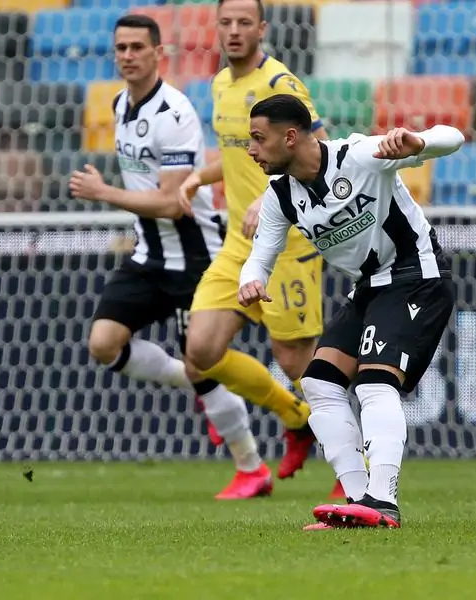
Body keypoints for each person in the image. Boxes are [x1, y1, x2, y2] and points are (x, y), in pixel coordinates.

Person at [238, 94, 462, 529]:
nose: (251, 149)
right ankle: (358, 501)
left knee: (375, 382)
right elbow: (261, 255)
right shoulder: (280, 195)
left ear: (290, 137)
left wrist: (417, 142)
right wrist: (252, 279)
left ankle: (384, 500)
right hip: (369, 288)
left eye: (258, 138)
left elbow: (452, 137)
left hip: (417, 275)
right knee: (319, 383)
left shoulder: (359, 155)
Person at [71, 14, 272, 499]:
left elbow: (170, 202)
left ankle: (252, 467)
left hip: (195, 255)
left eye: (137, 47)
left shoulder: (175, 112)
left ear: (158, 53)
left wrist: (103, 193)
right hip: (149, 254)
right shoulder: (120, 104)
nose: (127, 55)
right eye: (121, 47)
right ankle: (194, 384)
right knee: (103, 343)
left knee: (205, 363)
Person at [179, 0, 332, 492]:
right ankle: (295, 417)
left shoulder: (280, 83)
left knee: (296, 361)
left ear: (262, 28)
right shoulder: (221, 84)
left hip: (287, 240)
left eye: (244, 22)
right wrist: (199, 177)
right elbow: (241, 155)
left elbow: (320, 152)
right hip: (238, 243)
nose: (233, 30)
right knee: (200, 349)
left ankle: (359, 469)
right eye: (225, 22)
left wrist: (272, 196)